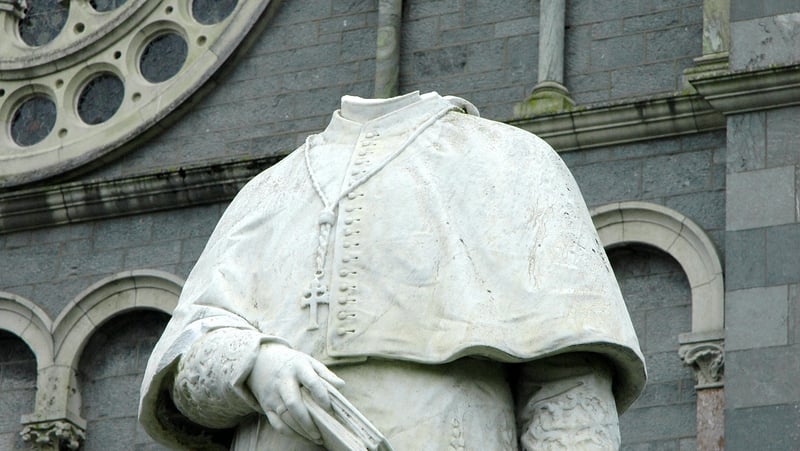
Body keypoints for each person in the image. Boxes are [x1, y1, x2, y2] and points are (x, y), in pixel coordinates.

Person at [139, 91, 646, 450]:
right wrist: (254, 365)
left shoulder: (511, 161)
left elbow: (569, 387)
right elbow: (185, 377)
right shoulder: (269, 190)